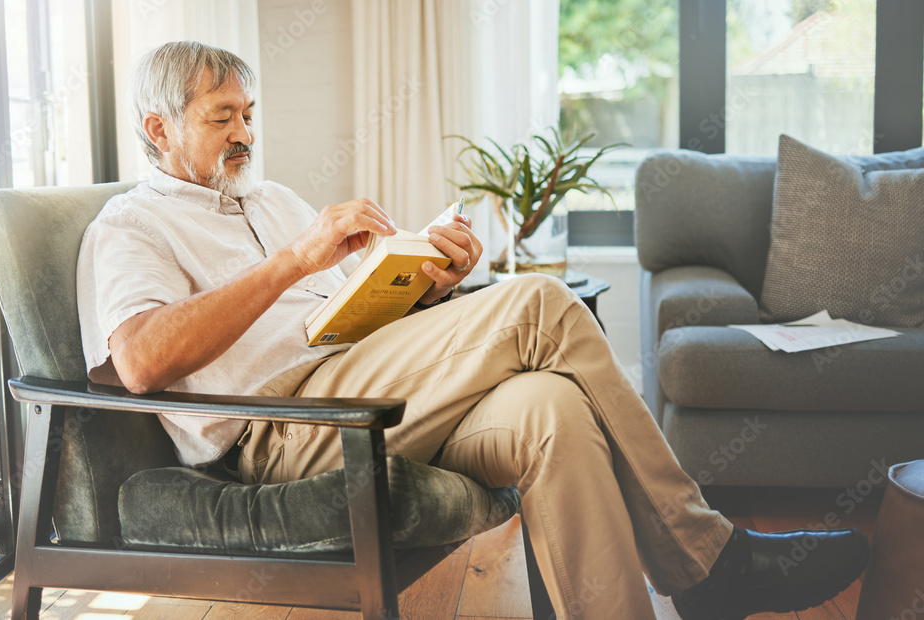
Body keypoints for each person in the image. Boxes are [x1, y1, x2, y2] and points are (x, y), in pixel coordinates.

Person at [76, 41, 868, 619]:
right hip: (286, 432)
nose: (245, 132)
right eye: (222, 117)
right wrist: (293, 260)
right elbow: (142, 361)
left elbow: (336, 323)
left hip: (366, 394)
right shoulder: (130, 227)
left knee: (550, 412)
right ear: (158, 129)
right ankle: (708, 557)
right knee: (542, 304)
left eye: (249, 113)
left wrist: (425, 286)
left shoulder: (270, 198)